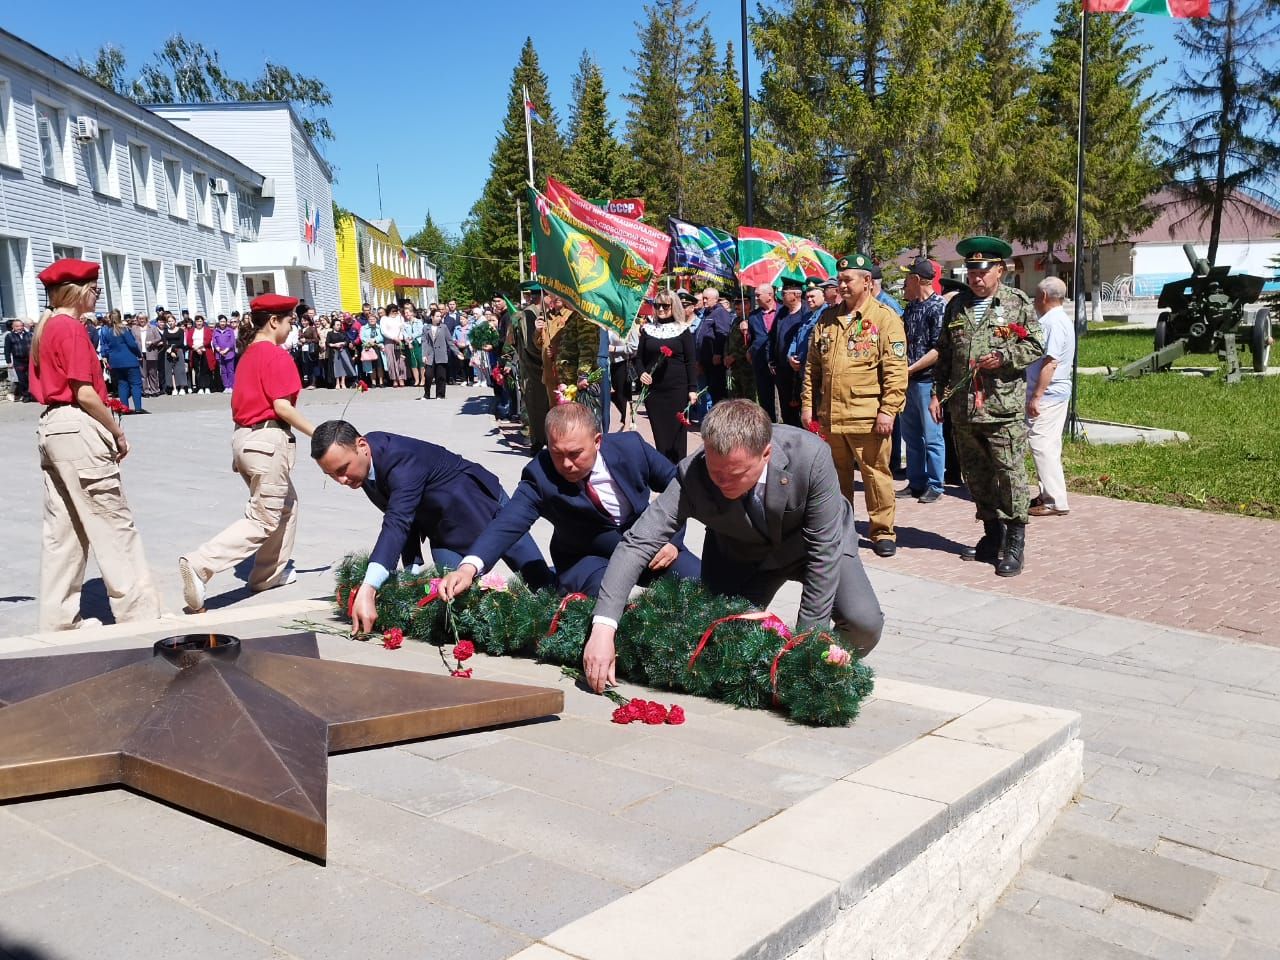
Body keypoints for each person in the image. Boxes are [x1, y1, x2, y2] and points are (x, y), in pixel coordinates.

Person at [580, 400, 884, 692]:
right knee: (720, 646)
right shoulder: (694, 473)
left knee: (863, 623)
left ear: (766, 454)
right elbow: (637, 543)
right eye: (716, 473)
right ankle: (768, 668)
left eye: (735, 474)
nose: (722, 483)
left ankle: (819, 672)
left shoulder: (811, 456)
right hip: (740, 554)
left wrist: (805, 645)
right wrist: (604, 627)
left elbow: (822, 553)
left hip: (810, 546)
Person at [310, 420, 552, 633]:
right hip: (443, 529)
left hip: (484, 508)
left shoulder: (399, 458)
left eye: (342, 469)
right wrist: (411, 569)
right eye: (331, 475)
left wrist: (369, 587)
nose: (341, 480)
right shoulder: (362, 466)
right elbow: (402, 514)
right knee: (456, 597)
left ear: (362, 445)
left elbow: (397, 521)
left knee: (540, 582)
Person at [440, 403, 700, 601]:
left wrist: (670, 540)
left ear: (597, 441)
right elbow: (508, 522)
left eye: (575, 454)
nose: (566, 464)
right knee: (609, 606)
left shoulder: (631, 449)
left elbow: (680, 486)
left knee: (703, 586)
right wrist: (468, 568)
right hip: (587, 557)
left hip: (648, 545)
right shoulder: (540, 474)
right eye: (557, 453)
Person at [29, 259, 161, 631]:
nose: (98, 293)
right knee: (113, 524)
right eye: (94, 287)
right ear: (78, 290)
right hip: (76, 427)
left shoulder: (47, 328)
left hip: (53, 429)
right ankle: (139, 615)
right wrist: (116, 431)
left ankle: (58, 622)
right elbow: (84, 392)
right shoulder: (70, 328)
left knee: (64, 532)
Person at [179, 294, 315, 612]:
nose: (291, 328)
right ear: (273, 322)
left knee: (286, 506)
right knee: (263, 518)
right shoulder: (276, 355)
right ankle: (201, 564)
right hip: (267, 440)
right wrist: (318, 432)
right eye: (289, 321)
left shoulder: (249, 353)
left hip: (246, 441)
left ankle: (267, 575)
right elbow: (282, 405)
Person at [930, 236, 1044, 577]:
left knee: (1009, 476)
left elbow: (1036, 345)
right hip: (964, 411)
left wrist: (1005, 357)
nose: (975, 278)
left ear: (1000, 270)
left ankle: (1014, 544)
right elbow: (945, 353)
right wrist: (939, 394)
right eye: (971, 271)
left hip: (1001, 409)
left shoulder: (1017, 303)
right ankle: (992, 537)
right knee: (976, 478)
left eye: (982, 271)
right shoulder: (957, 306)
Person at [800, 252, 908, 558]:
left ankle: (882, 531)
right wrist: (808, 405)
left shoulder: (885, 319)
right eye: (840, 280)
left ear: (867, 281)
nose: (842, 286)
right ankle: (841, 529)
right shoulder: (827, 318)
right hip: (830, 417)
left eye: (848, 280)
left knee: (876, 476)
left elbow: (896, 370)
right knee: (835, 478)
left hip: (867, 416)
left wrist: (888, 409)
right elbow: (812, 367)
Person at [898, 257, 947, 503]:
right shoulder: (911, 307)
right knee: (911, 435)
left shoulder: (938, 306)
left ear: (917, 280)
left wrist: (911, 368)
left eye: (908, 277)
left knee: (932, 436)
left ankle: (935, 485)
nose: (905, 281)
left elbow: (939, 349)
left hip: (928, 381)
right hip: (908, 381)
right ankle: (915, 481)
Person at [1026, 276, 1073, 517]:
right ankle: (1047, 493)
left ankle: (1054, 500)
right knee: (1048, 444)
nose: (1034, 300)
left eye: (1035, 295)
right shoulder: (1059, 319)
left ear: (1044, 296)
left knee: (1041, 444)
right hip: (1055, 392)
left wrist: (1037, 395)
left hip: (1049, 393)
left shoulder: (1053, 322)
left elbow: (1050, 361)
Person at [635, 292, 698, 464]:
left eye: (665, 306)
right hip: (654, 391)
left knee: (676, 434)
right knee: (660, 433)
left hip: (677, 389)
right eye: (657, 306)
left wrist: (692, 389)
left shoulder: (683, 330)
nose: (661, 309)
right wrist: (641, 373)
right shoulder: (648, 330)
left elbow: (690, 361)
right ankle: (664, 471)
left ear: (674, 307)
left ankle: (678, 471)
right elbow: (638, 358)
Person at [513, 281, 550, 453]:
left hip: (540, 369)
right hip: (534, 369)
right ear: (542, 297)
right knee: (537, 408)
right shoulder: (529, 315)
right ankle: (538, 443)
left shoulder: (540, 312)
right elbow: (531, 346)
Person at [769, 278, 809, 426]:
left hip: (799, 370)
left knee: (801, 409)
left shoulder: (806, 312)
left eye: (784, 293)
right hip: (782, 369)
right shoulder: (782, 313)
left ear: (795, 295)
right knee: (786, 409)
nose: (781, 295)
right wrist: (771, 360)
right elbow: (772, 338)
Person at [99, 310, 145, 413]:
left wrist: (105, 356)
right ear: (120, 317)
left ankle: (124, 408)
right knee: (135, 384)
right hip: (129, 360)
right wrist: (138, 354)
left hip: (115, 361)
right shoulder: (124, 330)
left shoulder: (107, 331)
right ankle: (138, 408)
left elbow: (104, 346)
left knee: (122, 384)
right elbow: (132, 344)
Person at [695, 287, 733, 404]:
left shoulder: (720, 312)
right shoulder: (708, 312)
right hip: (706, 361)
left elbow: (722, 334)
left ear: (715, 299)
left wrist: (717, 353)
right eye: (703, 298)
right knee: (710, 392)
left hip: (715, 361)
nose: (704, 301)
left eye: (707, 298)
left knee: (717, 392)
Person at [747, 284, 778, 420]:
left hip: (778, 362)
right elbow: (752, 339)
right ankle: (769, 428)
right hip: (760, 363)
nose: (756, 298)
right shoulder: (753, 316)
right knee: (765, 399)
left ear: (770, 295)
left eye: (759, 295)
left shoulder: (782, 311)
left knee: (782, 400)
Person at [421, 309, 451, 398]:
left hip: (441, 354)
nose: (439, 318)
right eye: (437, 316)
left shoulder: (444, 327)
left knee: (441, 376)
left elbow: (449, 341)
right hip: (430, 354)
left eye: (440, 316)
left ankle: (440, 394)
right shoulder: (426, 328)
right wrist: (424, 354)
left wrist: (457, 353)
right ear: (432, 317)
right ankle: (427, 394)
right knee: (428, 375)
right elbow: (424, 342)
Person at [4, 318, 33, 402]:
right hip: (18, 361)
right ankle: (26, 395)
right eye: (17, 326)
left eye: (21, 326)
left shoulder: (29, 334)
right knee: (22, 379)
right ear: (13, 327)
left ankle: (32, 394)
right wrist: (9, 361)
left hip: (29, 360)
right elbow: (7, 350)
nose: (20, 328)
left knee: (30, 378)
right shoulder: (9, 336)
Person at [380, 303, 407, 387]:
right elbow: (384, 331)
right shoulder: (384, 319)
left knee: (401, 360)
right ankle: (394, 379)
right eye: (393, 311)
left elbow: (403, 328)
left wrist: (400, 338)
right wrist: (393, 337)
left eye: (396, 311)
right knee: (391, 361)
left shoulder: (400, 318)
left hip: (399, 340)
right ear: (389, 311)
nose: (395, 312)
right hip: (389, 341)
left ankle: (401, 378)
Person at [213, 315, 238, 390]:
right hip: (220, 354)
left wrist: (226, 350)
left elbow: (232, 342)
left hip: (229, 353)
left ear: (226, 322)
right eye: (221, 321)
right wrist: (218, 349)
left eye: (224, 321)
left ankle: (231, 386)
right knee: (223, 371)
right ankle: (226, 386)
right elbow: (214, 342)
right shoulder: (215, 331)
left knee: (230, 371)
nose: (222, 323)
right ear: (219, 322)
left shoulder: (230, 330)